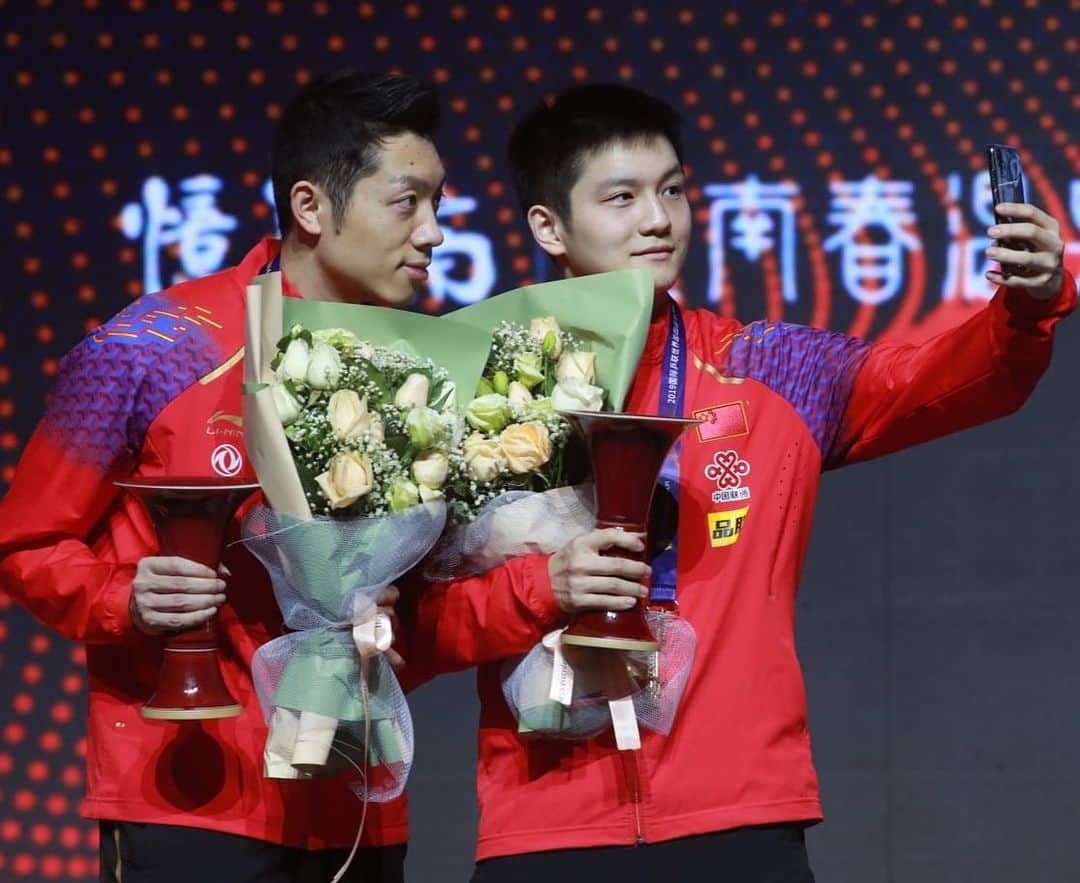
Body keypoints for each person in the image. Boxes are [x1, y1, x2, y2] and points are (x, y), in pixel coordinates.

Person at [403, 83, 1075, 882]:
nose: (658, 219)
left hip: (740, 820)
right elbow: (414, 634)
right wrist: (540, 587)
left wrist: (1028, 306)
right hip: (546, 828)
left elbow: (942, 379)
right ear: (549, 225)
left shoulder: (767, 370)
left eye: (673, 191)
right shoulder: (478, 395)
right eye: (622, 197)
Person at [0, 69, 452, 883]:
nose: (434, 233)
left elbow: (428, 605)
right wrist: (123, 597)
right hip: (195, 793)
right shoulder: (153, 347)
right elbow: (25, 542)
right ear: (311, 207)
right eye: (407, 202)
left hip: (357, 795)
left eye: (438, 206)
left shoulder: (415, 374)